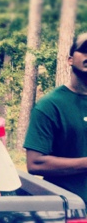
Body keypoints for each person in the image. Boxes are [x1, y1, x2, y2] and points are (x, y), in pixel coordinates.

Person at [24, 32, 87, 203]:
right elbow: (35, 163)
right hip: (71, 209)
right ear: (70, 60)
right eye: (85, 50)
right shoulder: (50, 105)